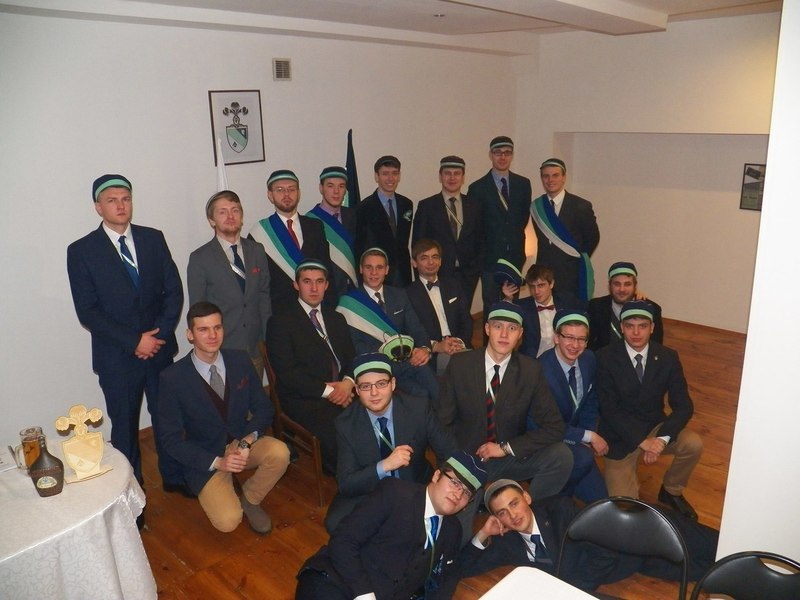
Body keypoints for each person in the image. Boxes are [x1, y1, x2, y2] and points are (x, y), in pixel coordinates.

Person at [67, 174, 183, 492]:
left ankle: (175, 477)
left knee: (168, 418)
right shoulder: (81, 251)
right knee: (125, 427)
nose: (120, 205)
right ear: (98, 207)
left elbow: (173, 291)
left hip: (158, 350)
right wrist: (134, 341)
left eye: (126, 199)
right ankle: (132, 492)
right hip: (117, 357)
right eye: (112, 200)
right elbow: (88, 311)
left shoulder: (153, 238)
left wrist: (157, 336)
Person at [438, 301, 572, 545]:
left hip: (506, 456)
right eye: (498, 326)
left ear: (520, 334)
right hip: (467, 461)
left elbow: (555, 427)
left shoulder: (530, 370)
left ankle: (529, 514)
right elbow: (441, 425)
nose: (504, 334)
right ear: (487, 328)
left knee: (561, 455)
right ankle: (481, 506)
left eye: (512, 328)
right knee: (457, 539)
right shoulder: (460, 364)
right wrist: (458, 467)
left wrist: (506, 448)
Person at [157, 302, 290, 534]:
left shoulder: (240, 360)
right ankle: (225, 487)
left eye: (217, 328)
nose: (212, 335)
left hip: (241, 443)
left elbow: (263, 407)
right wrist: (218, 462)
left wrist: (246, 441)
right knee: (228, 522)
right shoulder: (173, 378)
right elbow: (171, 440)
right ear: (190, 334)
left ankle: (250, 498)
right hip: (206, 456)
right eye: (203, 329)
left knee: (281, 453)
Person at [296, 450, 488, 600]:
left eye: (466, 493)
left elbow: (446, 577)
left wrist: (483, 534)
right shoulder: (394, 493)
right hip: (337, 582)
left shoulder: (452, 529)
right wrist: (364, 594)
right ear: (437, 476)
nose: (458, 494)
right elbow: (343, 541)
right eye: (455, 482)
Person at [460, 480, 719, 590]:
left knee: (720, 547)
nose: (512, 515)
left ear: (527, 497)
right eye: (503, 513)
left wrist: (567, 590)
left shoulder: (560, 510)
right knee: (708, 576)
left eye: (514, 503)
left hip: (646, 527)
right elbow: (465, 567)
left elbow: (604, 552)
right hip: (633, 563)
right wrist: (483, 532)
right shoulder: (508, 542)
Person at [325, 353, 457, 533]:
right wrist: (385, 465)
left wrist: (440, 483)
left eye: (381, 384)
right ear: (357, 389)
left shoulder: (418, 408)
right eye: (365, 386)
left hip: (414, 483)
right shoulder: (345, 424)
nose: (374, 393)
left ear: (393, 384)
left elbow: (449, 451)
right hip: (371, 488)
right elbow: (346, 483)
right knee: (335, 523)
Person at [597, 300, 703, 520]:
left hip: (655, 427)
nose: (636, 333)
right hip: (619, 438)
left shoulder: (668, 357)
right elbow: (609, 410)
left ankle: (671, 490)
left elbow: (684, 405)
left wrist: (661, 440)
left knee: (693, 444)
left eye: (643, 326)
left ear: (652, 327)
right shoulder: (604, 357)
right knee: (626, 508)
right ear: (621, 327)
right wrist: (642, 442)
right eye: (630, 326)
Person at [265, 260, 356, 475]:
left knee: (378, 415)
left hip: (343, 388)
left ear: (327, 285)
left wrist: (347, 383)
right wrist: (331, 391)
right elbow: (288, 374)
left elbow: (352, 358)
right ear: (296, 285)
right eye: (307, 282)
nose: (314, 288)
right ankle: (349, 479)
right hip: (304, 396)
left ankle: (375, 469)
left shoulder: (337, 318)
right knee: (338, 436)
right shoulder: (280, 322)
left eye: (319, 282)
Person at [337, 248, 439, 406]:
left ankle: (446, 419)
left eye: (379, 267)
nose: (374, 272)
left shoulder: (399, 295)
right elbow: (355, 345)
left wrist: (424, 349)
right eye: (369, 267)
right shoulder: (350, 303)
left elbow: (417, 328)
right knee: (421, 393)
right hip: (377, 367)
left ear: (387, 270)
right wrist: (390, 356)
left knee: (434, 385)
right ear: (361, 269)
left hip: (408, 360)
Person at [187, 190, 271, 377]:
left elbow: (264, 296)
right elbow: (198, 309)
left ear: (242, 217)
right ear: (212, 220)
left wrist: (268, 338)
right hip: (222, 350)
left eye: (235, 210)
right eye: (222, 212)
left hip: (255, 348)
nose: (230, 216)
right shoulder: (200, 258)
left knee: (254, 395)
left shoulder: (257, 250)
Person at [537, 310, 608, 504]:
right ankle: (555, 498)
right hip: (547, 441)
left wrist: (586, 432)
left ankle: (562, 490)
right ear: (556, 338)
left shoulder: (589, 359)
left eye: (581, 339)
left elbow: (591, 400)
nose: (575, 345)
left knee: (602, 501)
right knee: (584, 459)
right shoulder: (540, 371)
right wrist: (588, 436)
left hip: (576, 438)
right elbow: (543, 425)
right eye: (569, 337)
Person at [248, 169, 333, 308]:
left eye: (291, 189)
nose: (286, 194)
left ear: (298, 193)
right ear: (270, 195)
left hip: (317, 306)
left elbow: (326, 268)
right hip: (280, 310)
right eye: (280, 190)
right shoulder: (259, 233)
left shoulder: (315, 226)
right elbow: (258, 283)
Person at [466, 136, 532, 312]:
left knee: (512, 304)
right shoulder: (477, 188)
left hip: (515, 257)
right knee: (491, 305)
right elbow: (475, 226)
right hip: (489, 259)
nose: (503, 157)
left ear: (512, 155)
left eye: (507, 153)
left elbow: (522, 218)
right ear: (491, 155)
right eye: (498, 153)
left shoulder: (523, 184)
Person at [412, 155, 483, 302]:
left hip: (467, 275)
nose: (452, 178)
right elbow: (418, 245)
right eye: (447, 173)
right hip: (437, 273)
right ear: (440, 176)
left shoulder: (474, 205)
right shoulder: (427, 206)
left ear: (463, 177)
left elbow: (481, 239)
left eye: (457, 173)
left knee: (463, 312)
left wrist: (475, 268)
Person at [530, 158, 600, 301]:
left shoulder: (581, 206)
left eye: (555, 175)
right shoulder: (537, 206)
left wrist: (573, 258)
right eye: (546, 176)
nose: (550, 180)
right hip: (544, 275)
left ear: (564, 177)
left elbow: (592, 238)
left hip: (572, 274)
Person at [406, 238, 474, 376]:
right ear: (414, 263)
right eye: (424, 258)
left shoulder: (454, 285)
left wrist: (459, 342)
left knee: (485, 362)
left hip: (459, 346)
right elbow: (409, 332)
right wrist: (436, 346)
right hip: (432, 353)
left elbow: (466, 320)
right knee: (469, 368)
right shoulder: (407, 294)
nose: (431, 262)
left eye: (435, 257)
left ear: (441, 261)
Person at [501, 264, 583, 358]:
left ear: (551, 284)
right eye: (532, 286)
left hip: (560, 360)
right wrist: (508, 299)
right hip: (531, 361)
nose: (536, 291)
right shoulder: (522, 306)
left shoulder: (566, 302)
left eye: (541, 285)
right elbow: (504, 321)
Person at [355, 155, 413, 286]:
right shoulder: (364, 208)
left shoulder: (406, 204)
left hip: (403, 274)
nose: (391, 178)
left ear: (399, 176)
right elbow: (360, 247)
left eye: (395, 173)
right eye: (385, 174)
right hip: (377, 275)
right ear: (377, 176)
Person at [306, 166, 357, 299]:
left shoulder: (354, 216)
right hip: (327, 294)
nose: (336, 191)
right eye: (330, 186)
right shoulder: (309, 221)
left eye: (341, 186)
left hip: (354, 291)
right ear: (321, 188)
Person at [588, 261, 664, 351]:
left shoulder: (652, 308)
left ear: (635, 286)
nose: (622, 289)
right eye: (617, 284)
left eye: (627, 284)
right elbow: (588, 343)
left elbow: (656, 347)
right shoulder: (596, 307)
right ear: (609, 285)